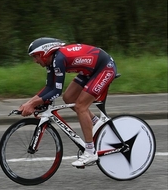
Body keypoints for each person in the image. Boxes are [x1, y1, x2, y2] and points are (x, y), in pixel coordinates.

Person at [18, 37, 117, 167]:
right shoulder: (51, 62)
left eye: (36, 56)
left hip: (104, 68)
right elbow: (49, 88)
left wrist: (32, 104)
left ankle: (90, 152)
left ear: (45, 53)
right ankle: (95, 123)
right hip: (90, 71)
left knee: (81, 106)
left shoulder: (59, 59)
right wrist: (29, 103)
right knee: (69, 97)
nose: (35, 61)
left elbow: (56, 92)